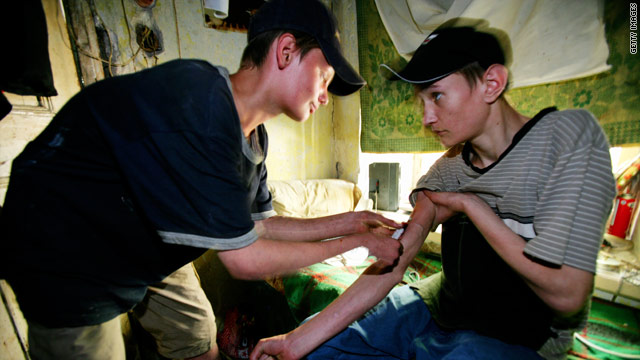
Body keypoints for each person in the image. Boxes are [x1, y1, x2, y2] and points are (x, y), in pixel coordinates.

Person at [0, 0, 404, 359]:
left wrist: (350, 222)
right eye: (325, 78)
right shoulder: (201, 103)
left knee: (196, 338)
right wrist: (359, 244)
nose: (325, 95)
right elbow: (244, 260)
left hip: (148, 234)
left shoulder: (254, 137)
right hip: (66, 244)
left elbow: (259, 227)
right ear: (285, 51)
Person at [250, 25, 617, 360]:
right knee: (321, 347)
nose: (426, 118)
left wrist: (472, 207)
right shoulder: (450, 168)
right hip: (439, 305)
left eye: (437, 96)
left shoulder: (567, 141)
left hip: (521, 335)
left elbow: (567, 295)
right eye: (421, 100)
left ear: (491, 83)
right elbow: (396, 261)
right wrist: (295, 341)